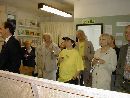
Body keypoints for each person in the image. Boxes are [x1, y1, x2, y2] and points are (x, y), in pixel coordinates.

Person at [116, 25, 130, 93]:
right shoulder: (123, 48)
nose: (127, 34)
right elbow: (118, 66)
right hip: (123, 84)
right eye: (126, 32)